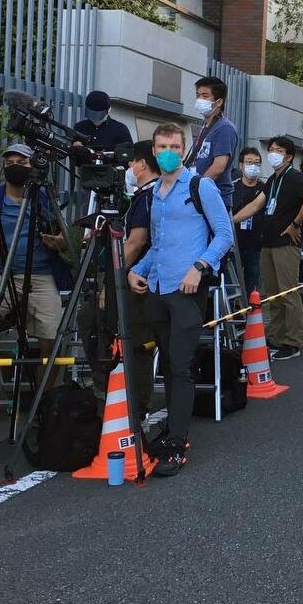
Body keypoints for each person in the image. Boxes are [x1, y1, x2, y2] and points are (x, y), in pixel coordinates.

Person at [128, 123, 233, 477]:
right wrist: (135, 269)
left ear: (184, 148)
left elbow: (224, 234)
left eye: (174, 145)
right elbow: (156, 243)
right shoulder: (155, 191)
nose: (168, 150)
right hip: (157, 287)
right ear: (154, 151)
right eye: (162, 146)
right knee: (169, 364)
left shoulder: (200, 186)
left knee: (181, 364)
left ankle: (178, 442)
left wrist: (200, 266)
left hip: (187, 289)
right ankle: (173, 429)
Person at [0, 143, 72, 388]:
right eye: (10, 163)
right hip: (2, 274)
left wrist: (58, 241)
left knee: (54, 339)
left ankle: (43, 399)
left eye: (22, 162)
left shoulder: (46, 198)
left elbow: (68, 240)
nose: (15, 167)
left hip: (42, 275)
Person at [233, 137, 303, 362]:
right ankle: (275, 336)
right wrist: (229, 221)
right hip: (267, 243)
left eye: (278, 151)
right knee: (273, 294)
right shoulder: (273, 179)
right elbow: (255, 205)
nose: (273, 154)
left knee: (288, 292)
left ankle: (292, 341)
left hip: (285, 244)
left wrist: (296, 223)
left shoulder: (294, 177)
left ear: (289, 156)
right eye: (270, 150)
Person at [116, 140, 160, 426]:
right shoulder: (156, 194)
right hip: (150, 278)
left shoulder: (147, 196)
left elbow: (136, 241)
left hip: (138, 280)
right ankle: (137, 404)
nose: (129, 168)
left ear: (142, 163)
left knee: (137, 344)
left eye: (132, 162)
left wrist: (117, 274)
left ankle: (137, 407)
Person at [184, 75, 240, 210]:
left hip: (215, 198)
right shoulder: (205, 127)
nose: (200, 100)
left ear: (219, 102)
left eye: (205, 96)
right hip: (201, 197)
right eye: (198, 95)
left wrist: (196, 188)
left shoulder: (224, 128)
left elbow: (219, 166)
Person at [232, 146, 265, 293]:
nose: (253, 166)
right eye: (249, 162)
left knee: (253, 287)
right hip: (235, 244)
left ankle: (252, 314)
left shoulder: (265, 189)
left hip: (256, 246)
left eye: (257, 163)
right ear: (241, 165)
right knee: (233, 284)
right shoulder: (232, 188)